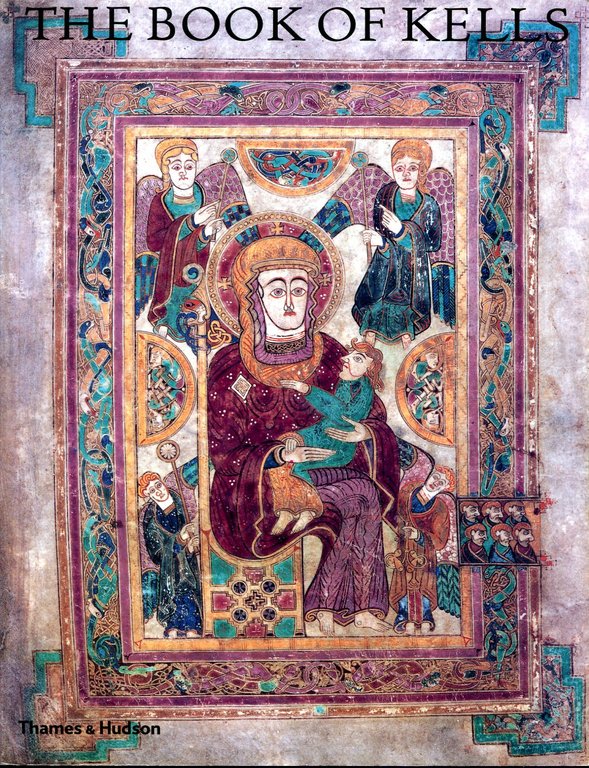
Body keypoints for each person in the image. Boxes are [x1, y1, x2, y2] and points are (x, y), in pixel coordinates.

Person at [207, 236, 402, 635]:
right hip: (257, 488)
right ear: (254, 299)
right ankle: (346, 608)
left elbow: (374, 417)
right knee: (360, 496)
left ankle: (334, 609)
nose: (290, 304)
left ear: (313, 296)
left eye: (298, 290)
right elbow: (223, 453)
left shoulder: (332, 356)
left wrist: (364, 433)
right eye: (276, 291)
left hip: (327, 468)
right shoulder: (231, 366)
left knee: (360, 496)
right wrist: (279, 456)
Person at [272, 341, 384, 535]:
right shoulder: (347, 382)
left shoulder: (364, 390)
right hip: (322, 434)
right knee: (281, 449)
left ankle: (308, 510)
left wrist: (308, 391)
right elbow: (326, 422)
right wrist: (296, 438)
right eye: (349, 355)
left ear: (369, 368)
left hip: (338, 445)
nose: (345, 359)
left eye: (357, 359)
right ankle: (286, 512)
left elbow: (344, 416)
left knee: (298, 465)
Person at [352, 139, 442, 348]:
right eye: (400, 168)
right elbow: (380, 230)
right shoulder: (385, 195)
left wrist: (402, 232)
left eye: (413, 168)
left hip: (413, 269)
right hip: (385, 264)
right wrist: (379, 241)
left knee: (404, 307)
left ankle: (406, 338)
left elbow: (433, 243)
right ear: (393, 170)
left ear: (421, 171)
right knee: (375, 302)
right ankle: (370, 339)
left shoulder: (429, 204)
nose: (406, 174)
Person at [146, 138, 223, 339]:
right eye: (176, 167)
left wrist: (206, 233)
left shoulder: (204, 196)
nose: (183, 172)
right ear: (167, 171)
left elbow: (203, 240)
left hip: (202, 266)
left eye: (189, 166)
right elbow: (154, 242)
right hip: (171, 274)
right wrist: (192, 222)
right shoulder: (161, 201)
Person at [388, 466, 453, 633]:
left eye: (441, 483)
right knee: (403, 581)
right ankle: (403, 614)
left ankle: (425, 615)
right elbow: (393, 509)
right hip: (404, 547)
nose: (435, 483)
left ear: (444, 488)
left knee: (424, 583)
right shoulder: (408, 491)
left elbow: (440, 540)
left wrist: (419, 535)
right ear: (429, 475)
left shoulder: (440, 508)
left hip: (425, 552)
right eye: (436, 477)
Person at [139, 472, 202, 638]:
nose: (158, 491)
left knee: (191, 599)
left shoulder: (181, 501)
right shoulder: (151, 520)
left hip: (190, 565)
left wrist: (190, 546)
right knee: (178, 599)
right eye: (152, 491)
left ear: (163, 483)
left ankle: (193, 629)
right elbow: (157, 554)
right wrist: (180, 540)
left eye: (158, 485)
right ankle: (175, 629)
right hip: (170, 572)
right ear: (148, 495)